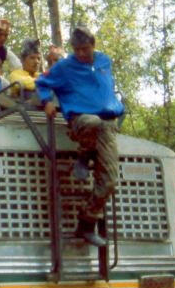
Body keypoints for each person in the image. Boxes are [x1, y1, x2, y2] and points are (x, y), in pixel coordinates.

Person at [37, 27, 124, 248]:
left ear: (93, 45)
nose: (81, 54)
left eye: (85, 49)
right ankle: (84, 154)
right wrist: (46, 101)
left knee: (110, 180)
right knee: (92, 122)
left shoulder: (104, 61)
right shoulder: (65, 67)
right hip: (81, 121)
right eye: (77, 50)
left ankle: (86, 223)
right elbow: (42, 82)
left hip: (107, 126)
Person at [7, 39, 43, 104]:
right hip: (22, 110)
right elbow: (21, 83)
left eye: (38, 58)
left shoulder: (40, 75)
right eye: (32, 58)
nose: (36, 62)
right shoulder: (15, 74)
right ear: (22, 60)